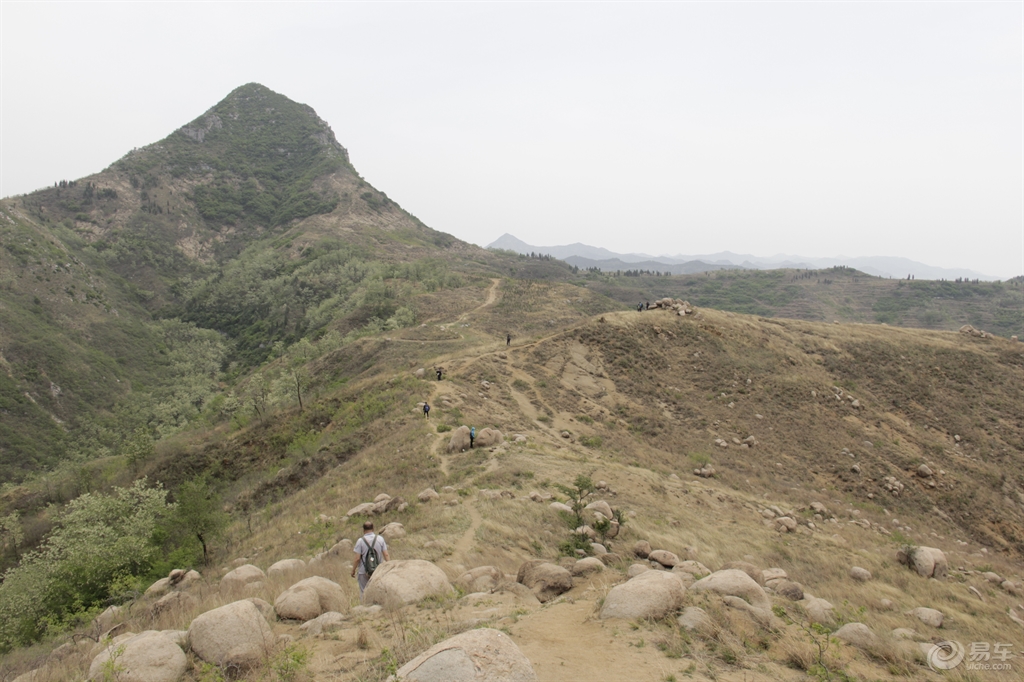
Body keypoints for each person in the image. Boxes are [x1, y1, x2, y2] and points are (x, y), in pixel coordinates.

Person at [351, 521, 389, 599]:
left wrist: (353, 570)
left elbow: (357, 558)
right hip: (378, 570)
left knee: (363, 592)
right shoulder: (380, 539)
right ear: (373, 529)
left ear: (363, 530)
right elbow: (386, 554)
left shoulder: (360, 541)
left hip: (363, 571)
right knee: (377, 591)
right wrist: (389, 566)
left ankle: (364, 608)